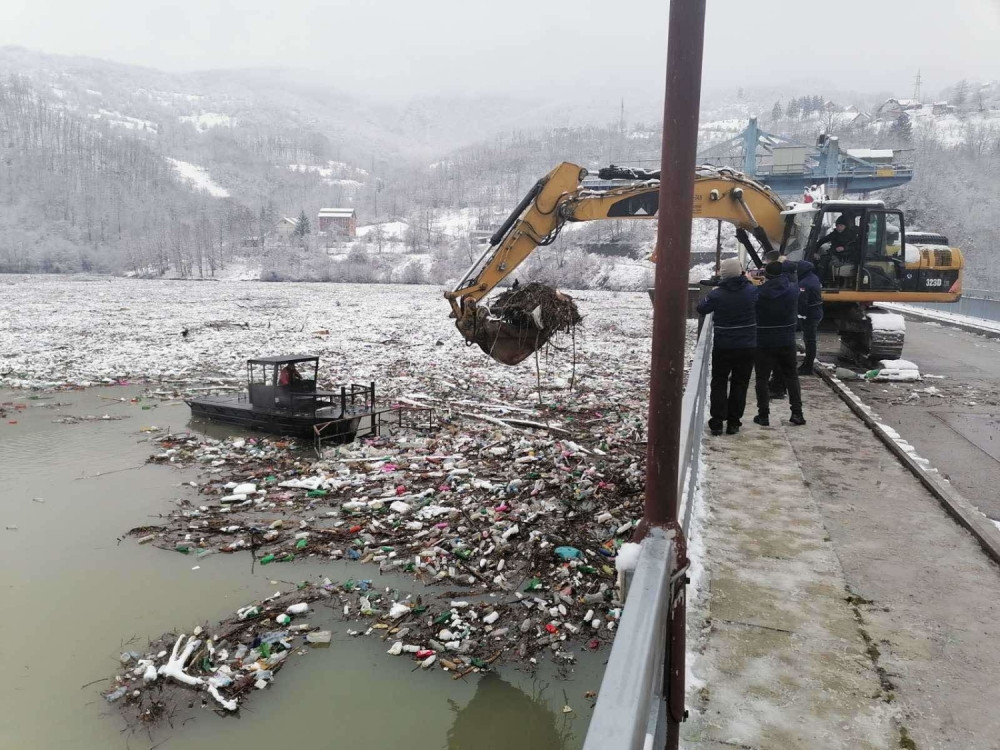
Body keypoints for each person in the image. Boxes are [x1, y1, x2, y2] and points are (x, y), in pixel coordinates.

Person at [696, 257, 758, 436]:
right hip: (747, 345)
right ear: (741, 272)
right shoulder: (752, 291)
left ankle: (717, 421)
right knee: (740, 384)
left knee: (719, 382)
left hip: (724, 345)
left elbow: (702, 308)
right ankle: (733, 422)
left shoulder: (717, 294)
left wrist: (714, 290)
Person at [753, 261, 806, 427]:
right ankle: (797, 413)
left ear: (766, 275)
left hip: (763, 341)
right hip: (786, 340)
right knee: (791, 376)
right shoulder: (793, 290)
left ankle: (763, 415)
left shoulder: (759, 293)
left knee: (761, 378)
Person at [796, 260, 824, 375]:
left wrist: (801, 316)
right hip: (816, 311)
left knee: (810, 340)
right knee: (810, 340)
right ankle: (807, 364)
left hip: (810, 314)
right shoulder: (814, 278)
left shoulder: (804, 282)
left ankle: (807, 367)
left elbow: (803, 302)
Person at [816, 214, 859, 282]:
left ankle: (825, 282)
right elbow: (821, 241)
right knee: (819, 260)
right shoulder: (834, 234)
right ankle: (819, 281)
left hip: (845, 257)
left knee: (826, 263)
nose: (839, 228)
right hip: (834, 254)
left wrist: (844, 248)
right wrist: (815, 252)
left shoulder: (851, 235)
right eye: (837, 226)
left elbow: (856, 247)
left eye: (841, 226)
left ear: (845, 226)